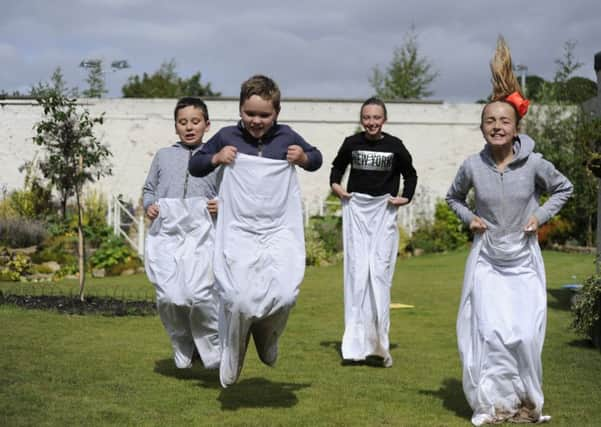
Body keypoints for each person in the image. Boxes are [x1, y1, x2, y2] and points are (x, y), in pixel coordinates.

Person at [446, 37, 573, 425]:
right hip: (486, 259)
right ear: (481, 127)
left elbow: (564, 188)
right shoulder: (472, 165)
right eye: (490, 121)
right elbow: (453, 198)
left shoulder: (535, 164)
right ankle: (494, 403)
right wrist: (470, 219)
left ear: (516, 126)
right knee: (489, 330)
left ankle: (525, 399)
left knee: (524, 334)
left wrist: (540, 215)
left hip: (522, 259)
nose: (497, 126)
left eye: (504, 121)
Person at [189, 74, 323, 387]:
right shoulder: (226, 136)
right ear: (239, 109)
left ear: (277, 113)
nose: (256, 121)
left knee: (286, 293)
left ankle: (267, 337)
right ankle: (233, 353)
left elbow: (316, 158)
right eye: (250, 113)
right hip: (238, 229)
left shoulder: (286, 135)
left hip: (278, 229)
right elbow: (196, 165)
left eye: (264, 115)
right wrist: (217, 158)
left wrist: (303, 158)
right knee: (238, 298)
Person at [330, 97, 417, 367]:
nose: (371, 123)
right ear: (361, 120)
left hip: (383, 213)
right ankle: (354, 345)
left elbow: (410, 174)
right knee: (356, 274)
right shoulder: (351, 143)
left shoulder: (395, 146)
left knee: (379, 274)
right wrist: (337, 186)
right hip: (357, 212)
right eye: (367, 118)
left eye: (376, 118)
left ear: (384, 120)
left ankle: (379, 344)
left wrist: (405, 197)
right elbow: (336, 168)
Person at [143, 96, 220, 370]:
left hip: (201, 230)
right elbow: (149, 189)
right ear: (175, 126)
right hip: (167, 230)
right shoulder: (164, 156)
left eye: (195, 122)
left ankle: (210, 346)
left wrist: (220, 204)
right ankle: (181, 341)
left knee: (200, 295)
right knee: (168, 296)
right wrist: (149, 206)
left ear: (206, 125)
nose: (189, 127)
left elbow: (228, 193)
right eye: (183, 122)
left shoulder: (215, 158)